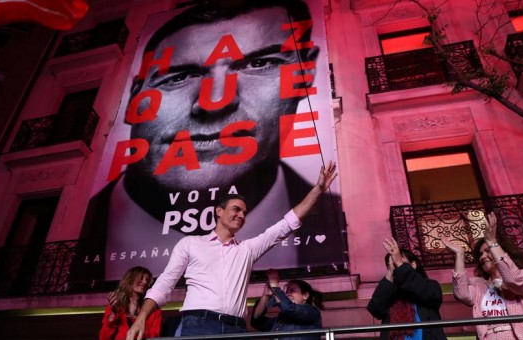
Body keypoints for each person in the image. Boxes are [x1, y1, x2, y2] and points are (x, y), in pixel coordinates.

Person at [74, 0, 345, 282]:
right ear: (135, 96)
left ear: (306, 73)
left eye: (259, 63)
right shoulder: (88, 222)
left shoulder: (326, 217)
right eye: (180, 76)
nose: (214, 101)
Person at [126, 161, 337, 339]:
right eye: (236, 209)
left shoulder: (247, 250)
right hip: (199, 326)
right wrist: (143, 316)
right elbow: (165, 283)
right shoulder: (191, 243)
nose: (241, 215)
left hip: (236, 328)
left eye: (245, 212)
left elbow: (287, 224)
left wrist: (318, 189)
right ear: (219, 211)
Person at [441, 212, 523, 339]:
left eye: (488, 251)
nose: (483, 257)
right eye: (480, 254)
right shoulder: (479, 284)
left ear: (502, 251)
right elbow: (462, 294)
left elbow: (513, 280)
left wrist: (492, 242)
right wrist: (459, 255)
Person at [367, 237, 446, 340]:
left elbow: (428, 294)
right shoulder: (390, 295)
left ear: (413, 265)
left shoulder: (430, 285)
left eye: (400, 262)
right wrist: (390, 272)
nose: (397, 267)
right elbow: (375, 308)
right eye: (392, 264)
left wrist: (400, 263)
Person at [251, 268, 323, 340]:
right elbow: (257, 321)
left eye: (292, 290)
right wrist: (266, 295)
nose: (287, 294)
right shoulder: (281, 319)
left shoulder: (313, 312)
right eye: (286, 291)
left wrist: (275, 286)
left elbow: (289, 308)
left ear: (305, 295)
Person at [99, 266, 162, 340]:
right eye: (141, 278)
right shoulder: (116, 306)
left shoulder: (154, 310)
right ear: (130, 280)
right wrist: (113, 315)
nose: (145, 282)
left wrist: (136, 321)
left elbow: (155, 336)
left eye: (147, 280)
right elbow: (103, 337)